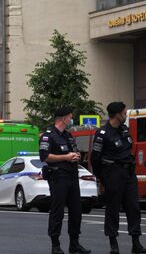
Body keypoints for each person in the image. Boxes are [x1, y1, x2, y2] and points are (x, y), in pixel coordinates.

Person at [91, 102, 146, 254]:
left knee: (134, 208)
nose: (126, 114)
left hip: (128, 173)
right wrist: (101, 178)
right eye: (124, 113)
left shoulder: (124, 130)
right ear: (117, 115)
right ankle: (113, 244)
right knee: (113, 209)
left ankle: (136, 243)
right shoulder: (102, 134)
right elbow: (95, 159)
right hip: (112, 174)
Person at [39, 107, 91, 254]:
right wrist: (66, 157)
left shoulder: (68, 136)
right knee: (58, 211)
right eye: (70, 117)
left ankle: (74, 244)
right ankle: (55, 245)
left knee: (76, 211)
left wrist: (75, 156)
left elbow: (72, 152)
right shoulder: (48, 136)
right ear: (63, 118)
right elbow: (45, 156)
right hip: (58, 177)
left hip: (72, 176)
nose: (71, 119)